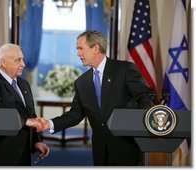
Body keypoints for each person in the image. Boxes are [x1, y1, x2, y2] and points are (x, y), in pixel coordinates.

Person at [26, 30, 153, 166]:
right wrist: (48, 124)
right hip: (99, 150)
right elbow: (75, 114)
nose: (78, 54)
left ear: (96, 48)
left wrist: (135, 126)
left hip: (127, 146)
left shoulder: (125, 70)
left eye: (81, 48)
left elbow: (145, 99)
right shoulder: (82, 82)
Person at [0, 43, 49, 166]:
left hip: (24, 154)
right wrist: (25, 121)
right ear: (3, 62)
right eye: (18, 60)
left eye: (23, 59)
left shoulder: (24, 84)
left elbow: (30, 114)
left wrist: (36, 142)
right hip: (2, 152)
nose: (23, 64)